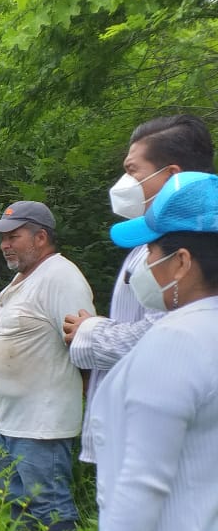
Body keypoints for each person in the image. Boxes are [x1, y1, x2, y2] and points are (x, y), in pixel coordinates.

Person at [63, 172, 218, 531]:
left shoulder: (171, 344)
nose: (142, 266)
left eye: (151, 252)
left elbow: (142, 482)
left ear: (182, 263)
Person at [64, 115, 215, 465]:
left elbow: (164, 337)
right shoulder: (149, 244)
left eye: (133, 171)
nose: (125, 183)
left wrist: (91, 332)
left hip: (159, 445)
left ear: (172, 175)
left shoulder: (190, 254)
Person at [0, 202, 95, 531]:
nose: (5, 245)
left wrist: (93, 402)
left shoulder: (61, 277)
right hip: (10, 419)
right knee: (15, 502)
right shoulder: (22, 281)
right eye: (2, 239)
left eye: (14, 236)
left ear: (41, 237)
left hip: (44, 422)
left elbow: (87, 345)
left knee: (48, 504)